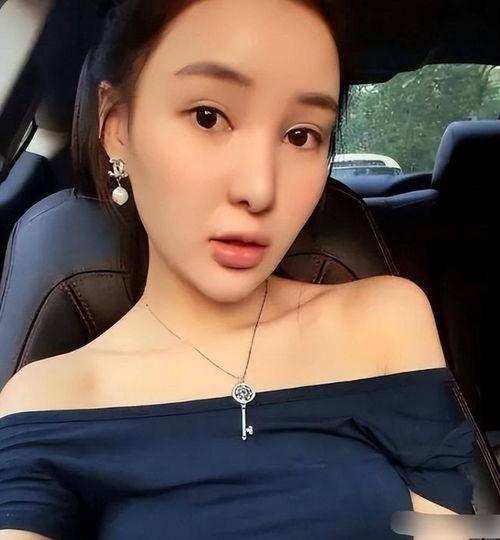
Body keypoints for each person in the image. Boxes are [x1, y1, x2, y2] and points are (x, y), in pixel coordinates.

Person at [0, 0, 476, 538]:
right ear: (117, 127)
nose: (259, 189)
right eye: (208, 116)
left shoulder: (385, 320)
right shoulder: (48, 399)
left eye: (301, 135)